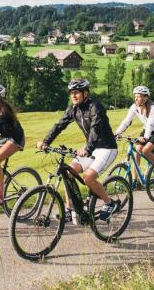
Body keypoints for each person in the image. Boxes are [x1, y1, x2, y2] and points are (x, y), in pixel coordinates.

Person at [37, 78, 119, 222]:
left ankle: (109, 203)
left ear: (85, 93)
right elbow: (59, 125)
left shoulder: (95, 106)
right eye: (71, 93)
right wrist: (46, 141)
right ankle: (70, 209)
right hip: (92, 148)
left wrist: (88, 148)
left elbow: (96, 128)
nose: (73, 96)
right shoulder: (73, 109)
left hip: (106, 148)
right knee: (69, 172)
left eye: (77, 93)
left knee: (88, 178)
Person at [114, 85, 154, 181]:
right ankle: (135, 180)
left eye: (138, 96)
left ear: (145, 97)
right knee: (137, 150)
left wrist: (145, 138)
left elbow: (150, 123)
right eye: (135, 96)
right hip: (146, 129)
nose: (136, 98)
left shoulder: (153, 107)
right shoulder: (134, 107)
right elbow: (126, 121)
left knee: (145, 150)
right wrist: (116, 133)